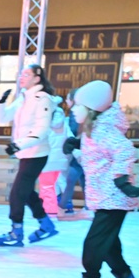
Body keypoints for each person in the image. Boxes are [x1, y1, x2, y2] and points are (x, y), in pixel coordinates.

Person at [59, 81, 139, 278]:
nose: (74, 110)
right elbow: (99, 152)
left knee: (93, 246)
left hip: (113, 197)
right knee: (108, 246)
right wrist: (77, 144)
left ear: (91, 109)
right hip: (106, 197)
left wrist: (121, 179)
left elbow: (124, 150)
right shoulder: (95, 129)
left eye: (78, 105)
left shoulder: (104, 130)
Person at [0, 63, 60, 247]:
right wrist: (0, 102)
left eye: (26, 74)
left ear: (37, 79)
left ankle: (16, 232)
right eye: (21, 74)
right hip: (26, 153)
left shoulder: (42, 99)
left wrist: (17, 145)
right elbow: (2, 118)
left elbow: (42, 129)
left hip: (37, 153)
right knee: (27, 191)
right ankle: (46, 225)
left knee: (17, 193)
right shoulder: (23, 98)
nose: (21, 77)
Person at [58, 89, 87, 219]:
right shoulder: (77, 113)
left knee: (69, 180)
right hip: (80, 153)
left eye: (68, 99)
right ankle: (89, 207)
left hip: (80, 154)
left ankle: (62, 207)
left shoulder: (76, 114)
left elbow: (75, 133)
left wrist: (74, 148)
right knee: (82, 181)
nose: (66, 101)